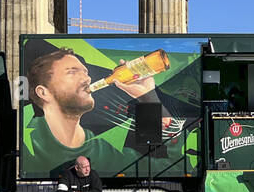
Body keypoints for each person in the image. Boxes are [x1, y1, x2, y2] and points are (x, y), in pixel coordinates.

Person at [22, 49, 163, 177]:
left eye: (85, 72)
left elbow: (171, 166)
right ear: (43, 92)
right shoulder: (25, 145)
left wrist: (149, 98)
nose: (88, 79)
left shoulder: (107, 152)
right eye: (72, 72)